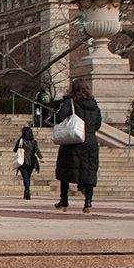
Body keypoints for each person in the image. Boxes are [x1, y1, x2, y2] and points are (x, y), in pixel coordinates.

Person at [52, 80, 103, 213]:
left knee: (66, 171)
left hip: (73, 140)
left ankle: (64, 200)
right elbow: (98, 123)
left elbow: (59, 117)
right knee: (89, 171)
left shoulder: (70, 102)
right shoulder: (94, 105)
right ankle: (88, 202)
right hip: (90, 140)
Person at [12, 126, 41, 200]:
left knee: (25, 177)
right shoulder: (34, 142)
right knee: (28, 176)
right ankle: (27, 190)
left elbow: (15, 149)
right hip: (31, 162)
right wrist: (41, 157)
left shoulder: (21, 140)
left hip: (23, 161)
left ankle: (27, 190)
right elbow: (37, 151)